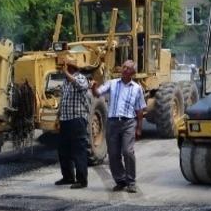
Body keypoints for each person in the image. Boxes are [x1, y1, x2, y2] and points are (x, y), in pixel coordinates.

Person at [92, 59, 146, 193]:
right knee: (114, 154)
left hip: (128, 123)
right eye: (123, 67)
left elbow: (139, 111)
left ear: (132, 72)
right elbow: (98, 93)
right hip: (113, 123)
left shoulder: (137, 88)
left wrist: (139, 128)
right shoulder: (112, 83)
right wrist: (93, 87)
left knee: (128, 151)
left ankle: (131, 182)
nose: (124, 69)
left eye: (128, 68)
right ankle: (120, 181)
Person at [54, 57, 91, 189]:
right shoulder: (65, 83)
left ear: (70, 66)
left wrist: (66, 74)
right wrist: (58, 118)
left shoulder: (80, 77)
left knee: (78, 150)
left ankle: (82, 180)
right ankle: (68, 177)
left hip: (77, 119)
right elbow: (63, 102)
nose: (62, 68)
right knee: (63, 149)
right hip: (65, 119)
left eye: (64, 66)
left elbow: (81, 86)